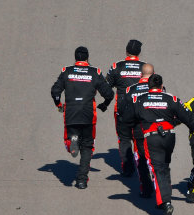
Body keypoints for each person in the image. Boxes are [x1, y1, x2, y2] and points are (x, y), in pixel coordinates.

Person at [122, 74, 194, 215]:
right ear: (161, 85)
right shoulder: (171, 98)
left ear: (148, 86)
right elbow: (188, 117)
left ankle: (166, 203)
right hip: (169, 138)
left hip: (152, 138)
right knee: (164, 167)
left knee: (157, 169)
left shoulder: (139, 100)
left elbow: (126, 118)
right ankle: (163, 197)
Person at [51, 46, 114, 189]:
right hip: (88, 115)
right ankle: (81, 180)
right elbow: (109, 94)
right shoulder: (95, 72)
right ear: (87, 58)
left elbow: (55, 91)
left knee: (70, 140)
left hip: (71, 112)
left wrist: (58, 104)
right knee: (87, 147)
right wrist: (105, 104)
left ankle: (73, 140)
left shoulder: (66, 71)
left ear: (75, 58)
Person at [106, 39, 145, 177]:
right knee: (139, 139)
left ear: (126, 51)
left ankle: (128, 168)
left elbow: (106, 87)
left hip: (122, 108)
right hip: (141, 109)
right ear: (139, 52)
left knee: (124, 139)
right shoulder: (145, 67)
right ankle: (142, 166)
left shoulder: (117, 66)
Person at [119, 63, 156, 198]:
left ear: (141, 74)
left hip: (139, 130)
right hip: (156, 130)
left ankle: (146, 189)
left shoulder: (130, 89)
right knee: (156, 158)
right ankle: (157, 182)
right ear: (153, 74)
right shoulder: (159, 88)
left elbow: (122, 109)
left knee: (140, 159)